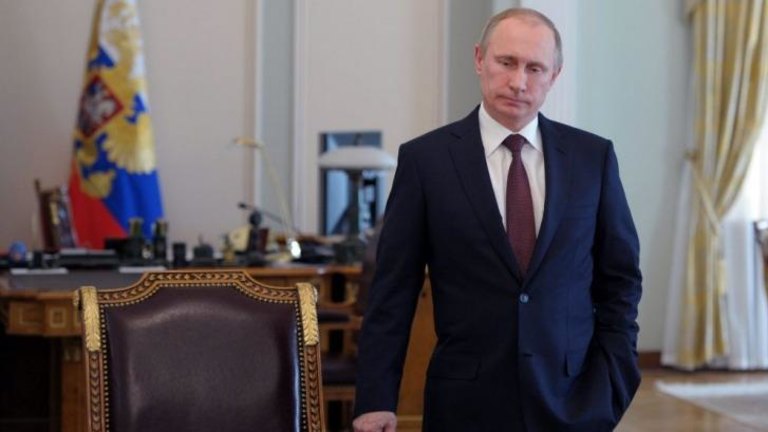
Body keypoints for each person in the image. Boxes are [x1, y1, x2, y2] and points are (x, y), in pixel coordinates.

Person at [352, 7, 642, 432]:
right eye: (506, 62)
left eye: (534, 68)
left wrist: (613, 382)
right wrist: (375, 400)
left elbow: (620, 280)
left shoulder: (592, 158)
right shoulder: (425, 161)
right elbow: (392, 292)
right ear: (479, 59)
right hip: (464, 405)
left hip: (575, 402)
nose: (518, 81)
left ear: (554, 76)